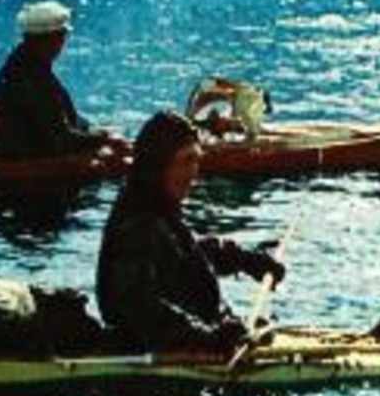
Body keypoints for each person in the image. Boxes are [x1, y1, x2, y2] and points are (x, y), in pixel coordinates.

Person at [96, 111, 285, 353]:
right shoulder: (136, 224)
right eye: (185, 161)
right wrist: (206, 339)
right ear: (158, 165)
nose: (193, 173)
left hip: (194, 338)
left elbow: (182, 260)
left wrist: (243, 259)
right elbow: (138, 305)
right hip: (153, 357)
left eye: (196, 160)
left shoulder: (158, 208)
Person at [0, 0, 128, 157]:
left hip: (26, 149)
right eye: (61, 37)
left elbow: (63, 118)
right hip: (26, 158)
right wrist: (103, 140)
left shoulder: (23, 64)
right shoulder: (31, 76)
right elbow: (60, 139)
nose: (62, 43)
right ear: (49, 38)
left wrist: (95, 131)